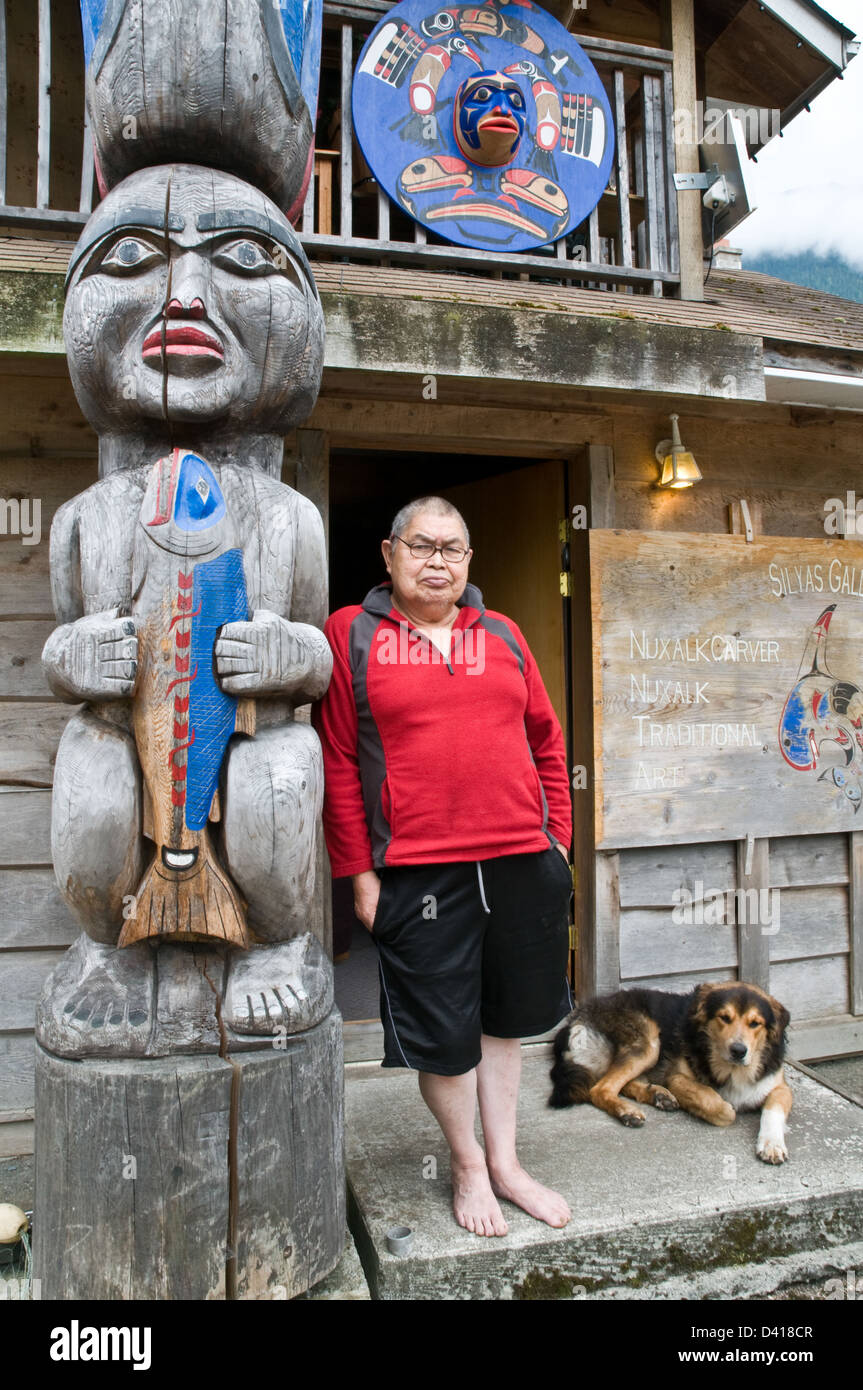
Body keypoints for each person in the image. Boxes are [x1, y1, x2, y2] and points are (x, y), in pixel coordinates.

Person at [312, 496, 573, 1237]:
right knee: (443, 1029)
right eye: (422, 547)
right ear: (389, 554)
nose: (437, 562)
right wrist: (358, 873)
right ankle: (464, 1164)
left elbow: (547, 743)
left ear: (468, 561)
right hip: (420, 871)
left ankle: (507, 1163)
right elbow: (335, 759)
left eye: (452, 549)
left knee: (504, 1024)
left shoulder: (504, 634)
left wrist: (557, 838)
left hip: (523, 862)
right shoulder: (353, 635)